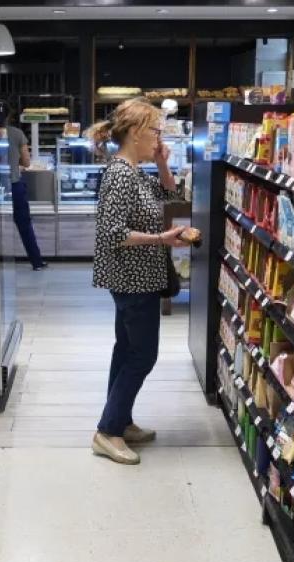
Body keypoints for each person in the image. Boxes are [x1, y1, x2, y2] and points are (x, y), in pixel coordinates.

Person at [86, 98, 189, 465]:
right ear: (134, 133)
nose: (160, 137)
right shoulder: (119, 174)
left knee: (126, 349)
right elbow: (112, 233)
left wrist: (162, 162)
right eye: (155, 131)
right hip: (132, 279)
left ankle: (121, 420)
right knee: (143, 355)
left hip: (140, 275)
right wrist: (162, 239)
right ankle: (107, 432)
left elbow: (171, 194)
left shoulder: (135, 171)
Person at [0, 104, 47, 270]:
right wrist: (16, 163)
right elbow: (27, 162)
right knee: (24, 224)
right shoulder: (16, 133)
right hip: (14, 185)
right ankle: (36, 262)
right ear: (8, 117)